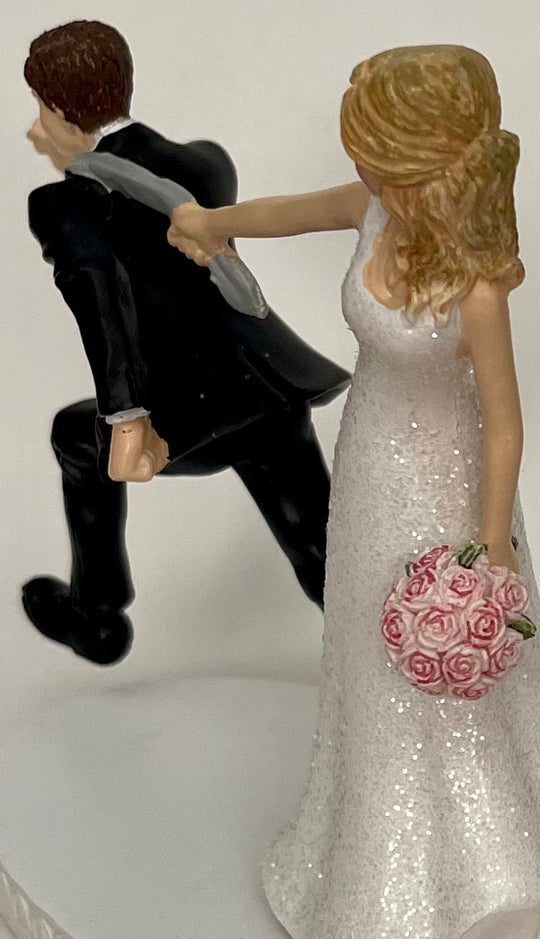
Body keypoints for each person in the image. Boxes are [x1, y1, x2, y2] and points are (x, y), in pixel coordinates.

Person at [169, 45, 540, 939]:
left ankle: (514, 918)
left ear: (431, 165)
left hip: (453, 489)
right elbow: (288, 212)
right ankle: (378, 881)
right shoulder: (371, 208)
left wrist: (490, 549)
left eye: (379, 158)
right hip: (370, 468)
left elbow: (504, 422)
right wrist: (212, 222)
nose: (363, 173)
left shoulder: (476, 284)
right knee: (373, 669)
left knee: (466, 687)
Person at [22, 20, 349, 665]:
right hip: (266, 386)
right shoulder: (205, 161)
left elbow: (100, 303)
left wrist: (127, 419)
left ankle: (98, 616)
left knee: (72, 437)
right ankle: (405, 650)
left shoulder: (65, 205)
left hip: (182, 420)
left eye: (40, 112)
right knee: (322, 550)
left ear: (61, 110)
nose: (35, 132)